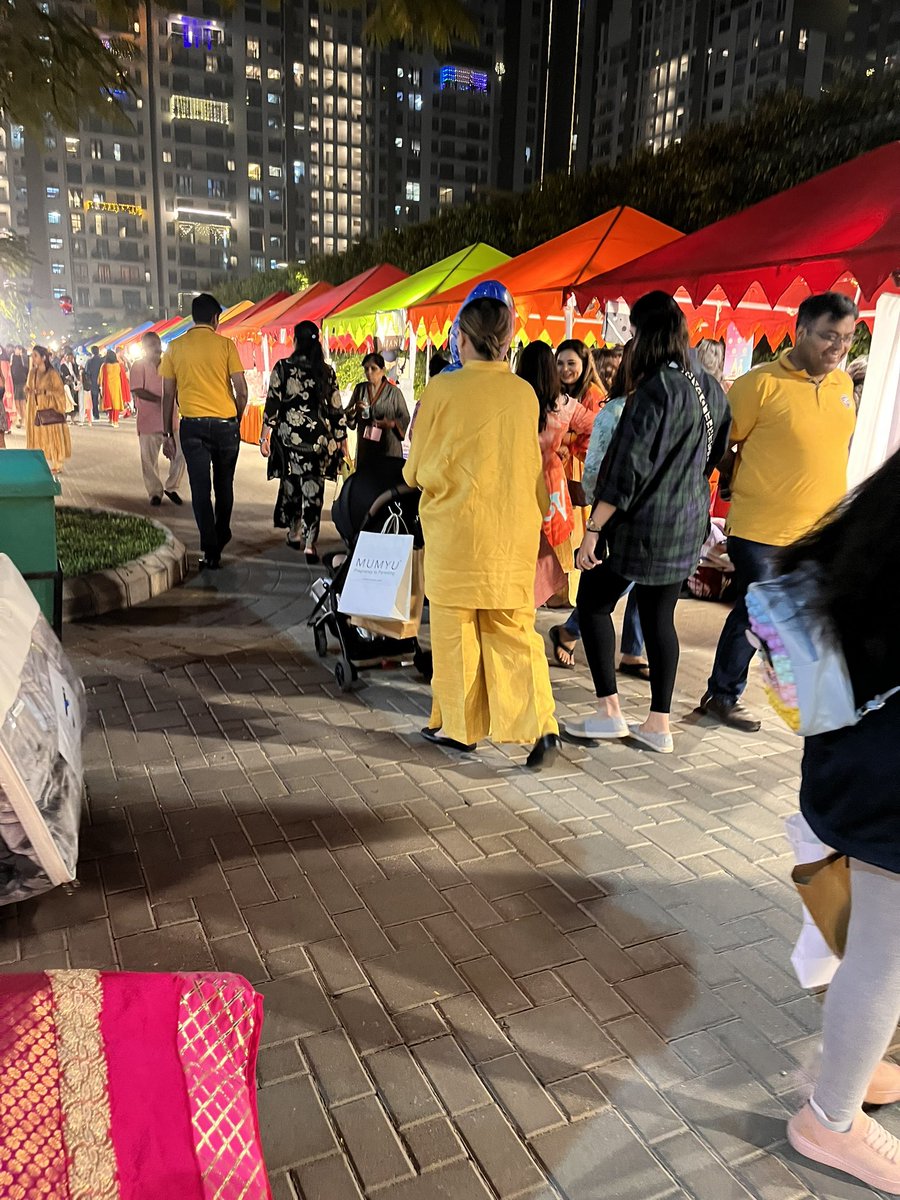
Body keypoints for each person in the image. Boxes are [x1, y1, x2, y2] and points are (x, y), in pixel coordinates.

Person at [777, 450, 900, 1194]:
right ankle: (832, 1116)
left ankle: (854, 1064)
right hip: (887, 779)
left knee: (879, 945)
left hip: (853, 756)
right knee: (883, 953)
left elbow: (808, 573)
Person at [567, 291, 730, 753]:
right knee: (662, 618)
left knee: (594, 603)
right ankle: (659, 724)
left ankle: (609, 712)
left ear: (648, 335)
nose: (632, 343)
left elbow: (626, 468)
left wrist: (593, 532)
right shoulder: (710, 388)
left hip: (644, 527)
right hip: (687, 521)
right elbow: (715, 454)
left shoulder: (657, 387)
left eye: (635, 333)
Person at [403, 296, 560, 769]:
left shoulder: (441, 391)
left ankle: (461, 727)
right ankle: (542, 728)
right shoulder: (523, 393)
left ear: (462, 340)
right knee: (514, 631)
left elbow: (416, 468)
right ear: (507, 342)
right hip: (511, 532)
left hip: (456, 532)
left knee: (455, 635)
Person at [700, 292, 858, 732]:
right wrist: (735, 477)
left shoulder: (843, 387)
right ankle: (729, 694)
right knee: (767, 611)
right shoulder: (760, 384)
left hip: (820, 529)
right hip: (761, 528)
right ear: (801, 330)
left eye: (846, 338)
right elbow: (718, 445)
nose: (838, 347)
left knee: (762, 611)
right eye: (829, 335)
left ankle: (724, 692)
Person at [549, 344, 647, 678]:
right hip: (606, 501)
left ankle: (613, 645)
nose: (565, 369)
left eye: (571, 363)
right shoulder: (617, 405)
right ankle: (575, 631)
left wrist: (565, 444)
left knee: (624, 578)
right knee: (617, 576)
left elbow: (595, 456)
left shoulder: (607, 402)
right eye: (559, 363)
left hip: (610, 500)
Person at [161, 293, 248, 570]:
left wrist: (167, 434)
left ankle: (210, 549)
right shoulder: (226, 345)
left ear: (193, 317)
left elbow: (167, 395)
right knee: (224, 485)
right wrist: (236, 417)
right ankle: (222, 532)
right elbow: (242, 390)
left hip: (192, 426)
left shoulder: (174, 347)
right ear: (215, 318)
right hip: (225, 424)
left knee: (200, 488)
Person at [260, 320, 347, 562]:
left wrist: (265, 435)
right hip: (319, 443)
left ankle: (294, 533)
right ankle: (310, 544)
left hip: (290, 442)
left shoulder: (283, 368)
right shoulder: (326, 371)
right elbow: (336, 408)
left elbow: (272, 404)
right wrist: (342, 441)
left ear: (295, 341)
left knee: (292, 486)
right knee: (313, 489)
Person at [515, 342, 594, 608]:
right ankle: (543, 597)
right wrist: (568, 445)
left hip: (517, 476)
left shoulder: (513, 399)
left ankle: (521, 594)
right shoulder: (564, 404)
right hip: (550, 479)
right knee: (547, 543)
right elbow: (597, 426)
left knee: (520, 540)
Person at [130, 331, 185, 508]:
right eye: (151, 344)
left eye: (157, 343)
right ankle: (155, 491)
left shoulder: (171, 364)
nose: (156, 347)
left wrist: (174, 401)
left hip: (171, 419)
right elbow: (138, 389)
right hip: (148, 421)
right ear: (144, 348)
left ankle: (172, 486)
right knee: (149, 460)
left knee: (180, 454)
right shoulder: (138, 366)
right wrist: (162, 400)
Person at [346, 351, 409, 473]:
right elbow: (347, 416)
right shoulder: (360, 389)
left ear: (383, 370)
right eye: (366, 369)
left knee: (386, 483)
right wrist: (354, 409)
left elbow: (405, 417)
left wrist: (391, 424)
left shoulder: (394, 392)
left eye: (373, 369)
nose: (369, 372)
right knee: (367, 485)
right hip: (366, 448)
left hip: (389, 447)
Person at [25, 345, 71, 475]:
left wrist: (45, 392)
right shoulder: (32, 373)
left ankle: (57, 463)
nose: (33, 358)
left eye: (35, 356)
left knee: (53, 436)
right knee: (36, 436)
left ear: (43, 357)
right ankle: (37, 462)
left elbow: (60, 392)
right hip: (34, 408)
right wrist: (29, 390)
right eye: (32, 356)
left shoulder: (52, 374)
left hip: (49, 409)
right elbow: (28, 387)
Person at [99, 350, 129, 427]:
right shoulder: (119, 365)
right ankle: (115, 421)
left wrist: (101, 387)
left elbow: (100, 378)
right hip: (117, 386)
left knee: (110, 403)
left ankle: (111, 419)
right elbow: (123, 377)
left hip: (108, 386)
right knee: (116, 403)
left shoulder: (104, 366)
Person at [59, 352, 83, 424]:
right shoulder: (62, 366)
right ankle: (65, 418)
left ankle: (73, 418)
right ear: (65, 357)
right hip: (67, 385)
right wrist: (67, 378)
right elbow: (62, 375)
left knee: (74, 401)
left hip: (74, 384)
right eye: (68, 357)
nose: (69, 359)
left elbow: (76, 373)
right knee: (67, 402)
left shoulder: (74, 365)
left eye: (71, 357)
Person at [10, 345, 29, 429]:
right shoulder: (12, 357)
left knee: (22, 402)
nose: (16, 351)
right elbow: (11, 368)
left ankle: (24, 419)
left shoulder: (24, 358)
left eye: (18, 349)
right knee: (16, 401)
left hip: (22, 381)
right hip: (15, 382)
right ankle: (19, 418)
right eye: (16, 349)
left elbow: (26, 368)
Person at [84, 345, 102, 423]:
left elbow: (87, 372)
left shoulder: (89, 361)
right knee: (102, 397)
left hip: (93, 381)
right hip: (102, 381)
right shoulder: (102, 360)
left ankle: (95, 414)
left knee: (94, 399)